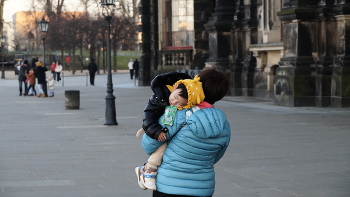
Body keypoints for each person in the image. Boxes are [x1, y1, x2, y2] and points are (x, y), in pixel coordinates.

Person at [140, 67, 231, 197]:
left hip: (168, 186)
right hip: (203, 188)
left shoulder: (177, 114)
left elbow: (148, 144)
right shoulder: (223, 124)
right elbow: (216, 156)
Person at [135, 75, 205, 190]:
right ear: (175, 86)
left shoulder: (181, 107)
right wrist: (156, 131)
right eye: (175, 97)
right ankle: (150, 169)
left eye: (180, 104)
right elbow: (148, 116)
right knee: (163, 143)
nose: (174, 102)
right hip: (154, 126)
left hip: (164, 126)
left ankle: (143, 169)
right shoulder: (159, 97)